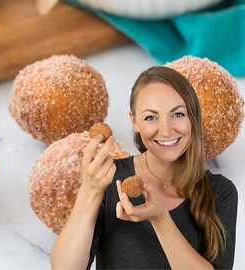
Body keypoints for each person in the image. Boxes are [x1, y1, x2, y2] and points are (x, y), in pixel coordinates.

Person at [50, 66, 238, 269]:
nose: (166, 131)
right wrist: (90, 190)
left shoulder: (220, 192)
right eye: (150, 117)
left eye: (178, 114)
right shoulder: (110, 177)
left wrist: (160, 219)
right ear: (135, 122)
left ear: (193, 116)